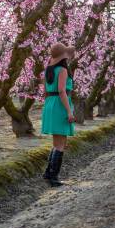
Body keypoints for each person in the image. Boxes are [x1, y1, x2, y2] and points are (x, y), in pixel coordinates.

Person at [41, 43, 76, 187]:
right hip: (60, 104)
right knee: (61, 143)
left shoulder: (48, 69)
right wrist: (69, 111)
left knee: (56, 143)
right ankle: (53, 178)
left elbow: (45, 90)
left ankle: (48, 173)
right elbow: (62, 91)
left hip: (50, 103)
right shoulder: (62, 70)